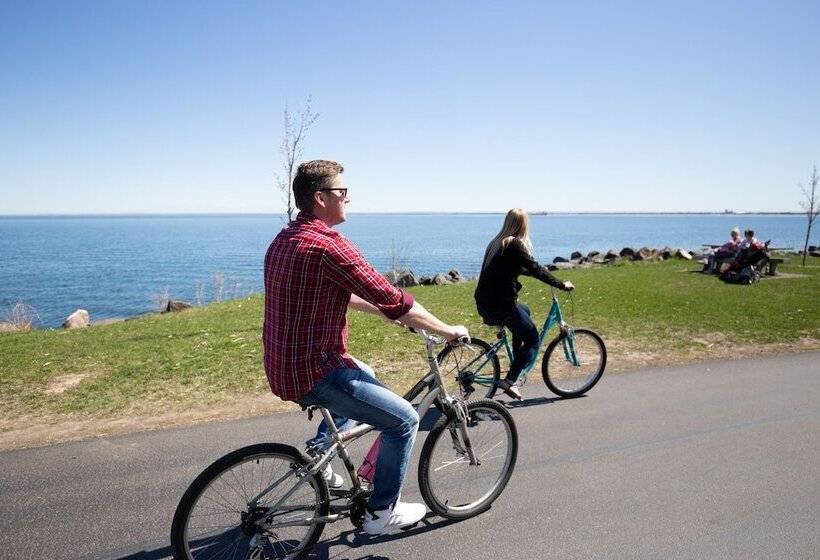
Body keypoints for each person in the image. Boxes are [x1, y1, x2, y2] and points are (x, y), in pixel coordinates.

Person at [263, 160, 469, 536]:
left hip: (283, 365)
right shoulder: (328, 246)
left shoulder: (286, 240)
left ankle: (320, 456)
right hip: (316, 371)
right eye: (342, 193)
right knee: (405, 420)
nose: (347, 199)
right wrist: (447, 330)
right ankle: (380, 512)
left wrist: (380, 312)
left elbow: (336, 291)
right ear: (321, 197)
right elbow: (395, 298)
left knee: (367, 373)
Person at [473, 208, 574, 401]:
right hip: (501, 306)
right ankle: (509, 381)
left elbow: (514, 267)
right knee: (533, 339)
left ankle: (516, 363)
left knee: (525, 310)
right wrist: (560, 284)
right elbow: (535, 268)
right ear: (523, 224)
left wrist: (530, 272)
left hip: (486, 303)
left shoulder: (497, 243)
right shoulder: (514, 244)